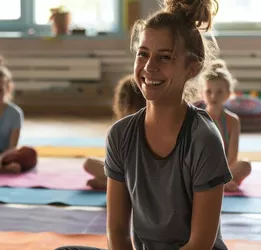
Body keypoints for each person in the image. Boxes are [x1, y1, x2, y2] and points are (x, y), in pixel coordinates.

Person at [57, 0, 232, 249]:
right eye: (143, 54)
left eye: (165, 57)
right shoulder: (120, 135)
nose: (149, 67)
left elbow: (200, 244)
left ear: (191, 68)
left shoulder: (203, 139)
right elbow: (117, 231)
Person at [83, 74, 146, 190]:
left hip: (136, 177)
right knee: (91, 163)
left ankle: (116, 186)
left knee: (89, 163)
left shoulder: (122, 129)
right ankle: (116, 184)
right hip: (143, 177)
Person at [202, 59, 251, 192]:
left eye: (219, 92)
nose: (213, 96)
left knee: (245, 165)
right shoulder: (198, 118)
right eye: (209, 91)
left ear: (228, 94)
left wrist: (224, 175)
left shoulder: (233, 120)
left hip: (226, 170)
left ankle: (218, 184)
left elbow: (232, 157)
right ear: (202, 93)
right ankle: (221, 184)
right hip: (203, 170)